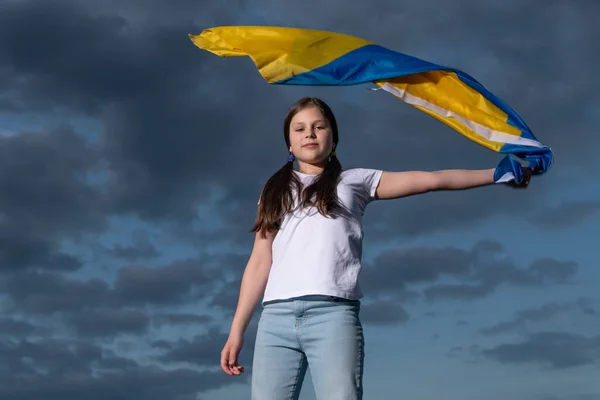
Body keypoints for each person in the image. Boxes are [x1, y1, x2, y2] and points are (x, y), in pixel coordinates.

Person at [220, 97, 531, 399]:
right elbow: (260, 261)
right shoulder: (274, 191)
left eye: (319, 126)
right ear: (289, 143)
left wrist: (496, 174)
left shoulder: (355, 181)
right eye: (299, 129)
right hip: (276, 319)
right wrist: (237, 331)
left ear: (334, 137)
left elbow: (431, 180)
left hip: (333, 315)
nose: (310, 133)